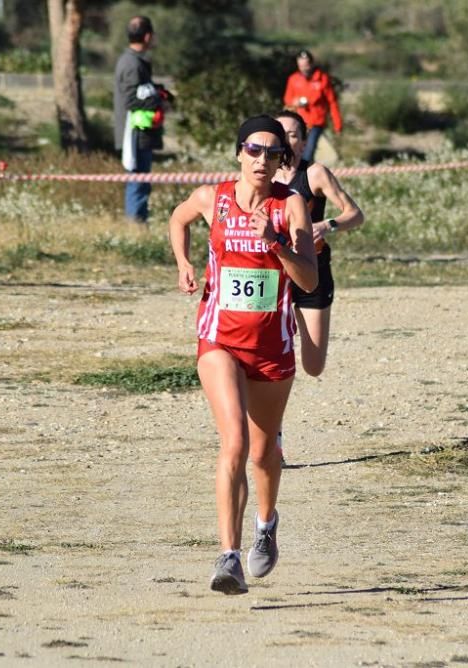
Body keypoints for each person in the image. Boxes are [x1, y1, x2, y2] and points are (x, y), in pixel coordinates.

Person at [168, 115, 317, 595]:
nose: (262, 159)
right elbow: (178, 217)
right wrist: (184, 262)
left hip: (272, 347)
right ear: (239, 153)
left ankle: (267, 523)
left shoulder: (290, 206)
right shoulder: (214, 198)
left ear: (282, 162)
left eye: (273, 154)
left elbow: (308, 281)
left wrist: (275, 244)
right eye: (254, 150)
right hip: (219, 339)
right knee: (232, 441)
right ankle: (228, 556)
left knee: (262, 451)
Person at [274, 109, 364, 376]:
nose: (286, 140)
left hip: (312, 269)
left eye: (293, 135)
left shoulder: (314, 174)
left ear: (303, 142)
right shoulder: (261, 175)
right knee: (265, 355)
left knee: (313, 366)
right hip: (273, 272)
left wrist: (326, 225)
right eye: (280, 134)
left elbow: (355, 215)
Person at [113, 15, 169, 224]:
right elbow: (131, 100)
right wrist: (158, 102)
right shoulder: (132, 64)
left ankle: (138, 221)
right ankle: (135, 225)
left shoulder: (135, 62)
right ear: (147, 36)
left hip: (140, 131)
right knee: (138, 180)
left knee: (141, 180)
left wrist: (158, 92)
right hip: (135, 132)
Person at [283, 50, 342, 162]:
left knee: (308, 154)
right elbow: (287, 99)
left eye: (306, 65)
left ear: (312, 63)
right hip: (298, 122)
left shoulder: (322, 79)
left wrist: (337, 124)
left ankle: (305, 176)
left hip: (316, 122)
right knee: (295, 152)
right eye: (301, 66)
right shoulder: (293, 79)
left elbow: (332, 102)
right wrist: (295, 102)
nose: (304, 68)